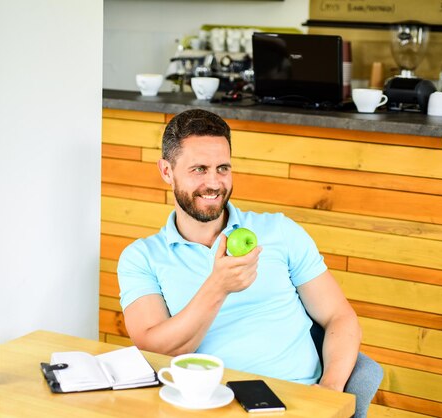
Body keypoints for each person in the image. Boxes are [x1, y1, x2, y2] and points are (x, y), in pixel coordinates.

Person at [117, 109, 381, 417]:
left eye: (223, 168)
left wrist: (330, 390)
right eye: (199, 169)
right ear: (166, 171)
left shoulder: (279, 231)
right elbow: (156, 350)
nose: (214, 183)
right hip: (203, 407)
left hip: (295, 402)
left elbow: (340, 317)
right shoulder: (142, 257)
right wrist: (218, 287)